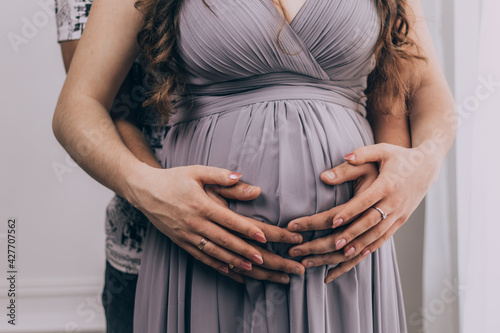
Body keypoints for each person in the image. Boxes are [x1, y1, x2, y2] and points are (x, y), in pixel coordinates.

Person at [52, 0, 457, 332]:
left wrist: (419, 168)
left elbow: (429, 97)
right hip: (203, 251)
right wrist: (146, 186)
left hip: (343, 259)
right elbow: (79, 106)